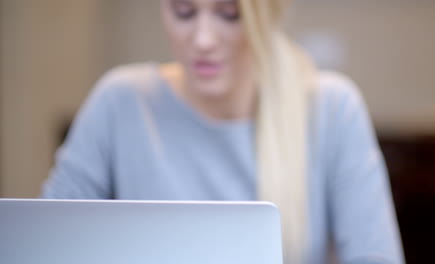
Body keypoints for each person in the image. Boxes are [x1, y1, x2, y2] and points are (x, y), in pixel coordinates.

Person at [41, 0, 405, 263]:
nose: (203, 40)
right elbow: (43, 246)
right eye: (184, 12)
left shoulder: (333, 110)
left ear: (266, 14)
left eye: (229, 13)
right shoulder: (119, 103)